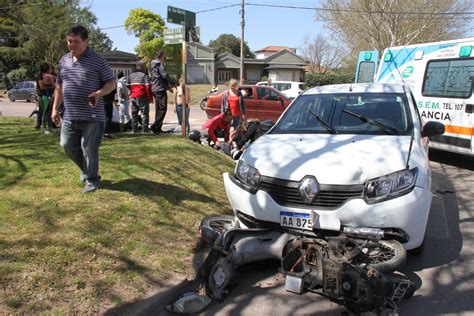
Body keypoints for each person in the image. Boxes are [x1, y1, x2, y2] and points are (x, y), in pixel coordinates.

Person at [51, 25, 116, 193]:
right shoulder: (64, 60)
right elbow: (59, 86)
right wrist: (55, 109)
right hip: (70, 114)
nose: (72, 45)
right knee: (66, 145)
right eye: (69, 41)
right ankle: (88, 171)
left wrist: (99, 93)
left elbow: (111, 82)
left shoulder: (97, 59)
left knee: (89, 149)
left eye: (76, 42)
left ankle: (92, 180)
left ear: (86, 41)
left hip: (93, 115)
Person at [150, 50, 175, 134]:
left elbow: (159, 77)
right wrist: (172, 83)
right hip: (160, 89)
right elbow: (164, 75)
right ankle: (155, 126)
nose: (165, 58)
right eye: (164, 56)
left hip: (155, 88)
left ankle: (157, 128)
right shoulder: (159, 64)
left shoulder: (153, 65)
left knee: (159, 108)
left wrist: (168, 87)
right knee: (162, 108)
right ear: (161, 56)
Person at [128, 60, 153, 134]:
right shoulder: (144, 75)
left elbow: (127, 84)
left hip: (133, 95)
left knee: (134, 113)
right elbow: (148, 87)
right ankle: (145, 129)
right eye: (145, 66)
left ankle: (134, 129)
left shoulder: (131, 74)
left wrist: (133, 90)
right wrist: (150, 97)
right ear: (142, 66)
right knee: (144, 113)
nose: (146, 68)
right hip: (142, 95)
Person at [36, 62, 56, 132]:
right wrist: (52, 86)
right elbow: (42, 87)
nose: (51, 69)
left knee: (50, 112)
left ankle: (50, 127)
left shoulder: (51, 75)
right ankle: (44, 128)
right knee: (45, 112)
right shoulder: (40, 75)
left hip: (50, 96)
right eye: (50, 67)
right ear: (46, 69)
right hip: (43, 96)